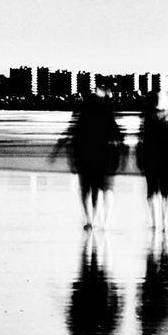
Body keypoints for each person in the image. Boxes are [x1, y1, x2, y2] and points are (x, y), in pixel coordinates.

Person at [51, 87, 126, 229]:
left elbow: (70, 134)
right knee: (105, 189)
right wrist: (122, 155)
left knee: (88, 189)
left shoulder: (82, 114)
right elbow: (119, 136)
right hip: (105, 156)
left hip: (85, 155)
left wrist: (59, 153)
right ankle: (104, 222)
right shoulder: (107, 113)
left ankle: (90, 220)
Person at [136, 90, 168, 231]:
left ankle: (155, 223)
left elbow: (141, 141)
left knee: (153, 191)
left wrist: (139, 157)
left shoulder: (148, 118)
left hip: (151, 157)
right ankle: (166, 224)